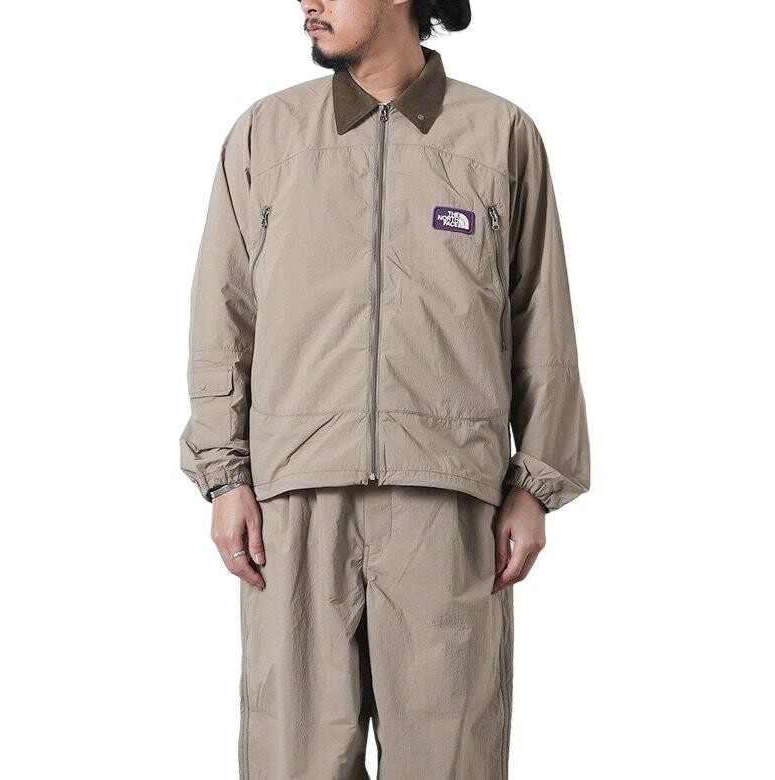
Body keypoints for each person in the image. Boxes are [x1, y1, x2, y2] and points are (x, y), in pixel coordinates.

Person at [179, 0, 590, 776]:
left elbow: (543, 323)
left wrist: (536, 486)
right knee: (293, 760)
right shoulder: (265, 137)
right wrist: (225, 477)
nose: (309, 1)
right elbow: (222, 318)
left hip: (448, 506)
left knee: (449, 760)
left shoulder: (499, 137)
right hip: (295, 504)